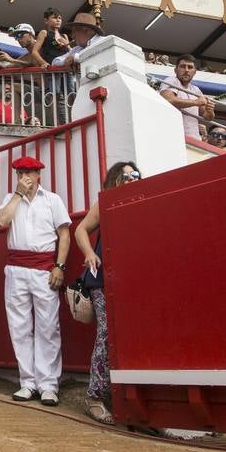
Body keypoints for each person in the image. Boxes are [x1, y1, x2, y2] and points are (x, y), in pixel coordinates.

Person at [0, 156, 70, 406]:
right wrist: (17, 195)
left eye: (30, 172)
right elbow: (2, 221)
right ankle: (27, 382)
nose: (25, 177)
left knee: (48, 326)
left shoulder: (52, 200)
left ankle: (48, 384)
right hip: (16, 269)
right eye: (20, 173)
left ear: (39, 175)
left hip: (43, 269)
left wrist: (59, 266)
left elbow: (64, 234)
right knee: (20, 327)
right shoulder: (9, 199)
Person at [72, 161, 141, 425]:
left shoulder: (140, 201)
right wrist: (89, 253)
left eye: (135, 175)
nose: (131, 179)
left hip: (130, 279)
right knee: (106, 334)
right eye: (124, 176)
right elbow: (80, 230)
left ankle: (126, 395)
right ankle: (94, 396)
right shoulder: (106, 202)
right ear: (113, 180)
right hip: (102, 278)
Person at [160, 54, 215, 139]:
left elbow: (206, 116)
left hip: (194, 138)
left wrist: (210, 111)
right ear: (175, 70)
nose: (186, 70)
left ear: (195, 71)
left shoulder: (196, 90)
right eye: (182, 66)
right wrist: (195, 102)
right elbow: (168, 100)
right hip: (173, 135)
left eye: (190, 67)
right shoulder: (171, 80)